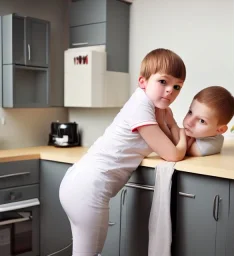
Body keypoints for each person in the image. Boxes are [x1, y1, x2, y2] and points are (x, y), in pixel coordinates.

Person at [59, 48, 188, 256]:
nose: (170, 91)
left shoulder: (155, 109)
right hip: (87, 189)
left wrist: (172, 125)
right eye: (163, 82)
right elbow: (173, 153)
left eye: (177, 86)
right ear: (143, 81)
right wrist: (181, 134)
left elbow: (169, 142)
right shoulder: (141, 107)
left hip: (79, 184)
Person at [163, 86, 234, 156]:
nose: (189, 122)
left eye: (202, 121)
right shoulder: (203, 134)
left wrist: (173, 125)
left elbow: (178, 149)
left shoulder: (208, 146)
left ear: (220, 129)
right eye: (190, 112)